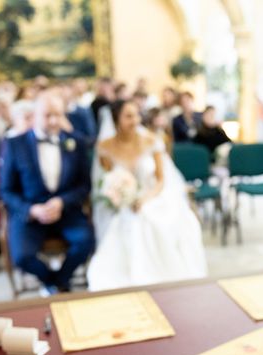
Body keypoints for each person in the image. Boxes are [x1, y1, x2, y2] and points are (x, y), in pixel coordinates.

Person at [86, 99, 207, 291]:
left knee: (150, 217)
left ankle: (159, 273)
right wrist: (118, 194)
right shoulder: (105, 147)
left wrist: (145, 198)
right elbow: (107, 179)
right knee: (128, 219)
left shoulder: (151, 141)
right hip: (124, 202)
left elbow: (161, 179)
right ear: (116, 119)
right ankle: (131, 274)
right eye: (128, 116)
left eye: (136, 115)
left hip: (154, 195)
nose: (134, 120)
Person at [0, 92, 95, 296]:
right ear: (34, 115)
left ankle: (59, 282)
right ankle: (52, 281)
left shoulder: (75, 142)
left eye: (57, 115)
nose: (53, 121)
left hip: (66, 211)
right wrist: (32, 209)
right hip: (30, 213)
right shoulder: (15, 145)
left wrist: (62, 202)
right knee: (22, 257)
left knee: (86, 242)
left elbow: (84, 185)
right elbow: (6, 190)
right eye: (47, 115)